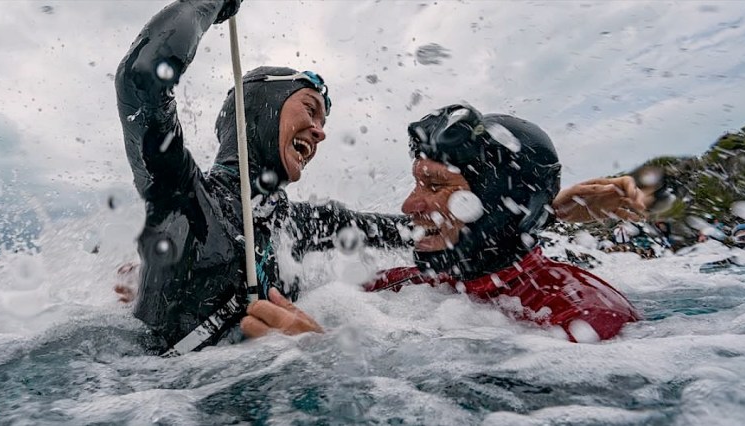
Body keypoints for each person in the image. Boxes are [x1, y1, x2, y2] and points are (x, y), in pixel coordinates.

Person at [116, 1, 651, 353]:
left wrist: (545, 209)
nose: (321, 132)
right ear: (256, 111)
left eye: (327, 120)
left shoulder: (297, 223)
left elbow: (448, 229)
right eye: (311, 109)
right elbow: (141, 81)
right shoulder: (184, 204)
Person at [243, 105, 641, 342]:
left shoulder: (584, 314)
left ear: (499, 205)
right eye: (417, 182)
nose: (409, 204)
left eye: (434, 185)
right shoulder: (403, 283)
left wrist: (318, 359)